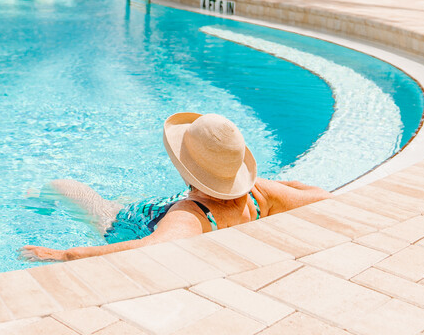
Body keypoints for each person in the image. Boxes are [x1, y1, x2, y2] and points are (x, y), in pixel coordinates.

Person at [22, 112, 331, 262]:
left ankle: (37, 198)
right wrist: (286, 186)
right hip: (156, 210)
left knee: (64, 186)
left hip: (118, 222)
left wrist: (67, 255)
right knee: (137, 200)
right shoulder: (260, 192)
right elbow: (322, 197)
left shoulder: (189, 214)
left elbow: (152, 247)